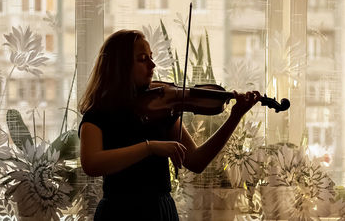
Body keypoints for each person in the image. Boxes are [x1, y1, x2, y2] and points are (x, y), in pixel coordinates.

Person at [78, 29, 261, 221]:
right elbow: (91, 164)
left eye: (151, 57)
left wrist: (235, 117)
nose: (152, 64)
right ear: (119, 67)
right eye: (142, 59)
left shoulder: (161, 109)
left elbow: (196, 161)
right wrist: (150, 148)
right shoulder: (98, 114)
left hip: (159, 212)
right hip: (119, 213)